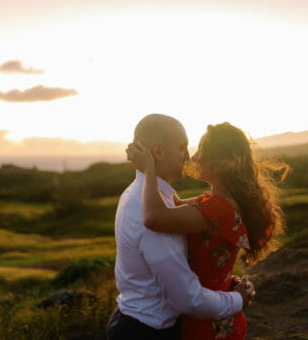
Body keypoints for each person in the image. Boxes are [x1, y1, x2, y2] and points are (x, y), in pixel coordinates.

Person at [127, 121, 287, 339]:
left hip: (209, 321)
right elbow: (173, 203)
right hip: (212, 309)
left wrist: (149, 170)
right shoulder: (216, 202)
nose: (193, 158)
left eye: (201, 151)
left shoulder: (219, 208)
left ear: (221, 163)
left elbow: (155, 217)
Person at [107, 114, 255, 340]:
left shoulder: (147, 196)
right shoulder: (148, 208)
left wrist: (223, 283)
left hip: (143, 325)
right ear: (157, 152)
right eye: (182, 147)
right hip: (148, 333)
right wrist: (237, 299)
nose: (189, 156)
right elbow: (188, 298)